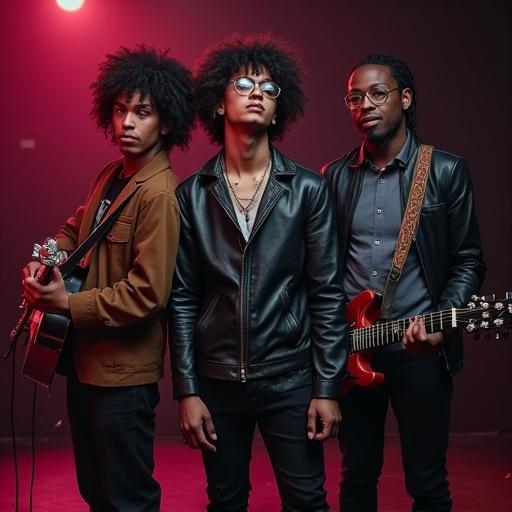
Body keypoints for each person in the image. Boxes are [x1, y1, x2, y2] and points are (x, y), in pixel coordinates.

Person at [169, 34, 347, 511]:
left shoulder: (308, 189)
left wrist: (326, 388)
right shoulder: (192, 195)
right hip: (216, 382)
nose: (256, 93)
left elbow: (327, 293)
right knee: (225, 501)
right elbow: (183, 297)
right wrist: (187, 390)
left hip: (289, 378)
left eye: (269, 89)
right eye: (244, 82)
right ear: (217, 101)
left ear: (277, 109)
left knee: (307, 501)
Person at [21, 46, 194, 511]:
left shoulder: (160, 194)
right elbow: (74, 230)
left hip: (123, 380)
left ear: (168, 122)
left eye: (143, 112)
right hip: (85, 365)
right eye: (121, 111)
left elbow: (148, 295)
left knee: (128, 499)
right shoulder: (112, 174)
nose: (128, 123)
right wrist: (47, 258)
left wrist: (65, 304)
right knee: (96, 494)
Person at [322, 54, 486, 511]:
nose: (365, 105)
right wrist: (334, 331)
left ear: (405, 98)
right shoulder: (334, 176)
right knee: (355, 478)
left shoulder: (445, 171)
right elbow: (323, 268)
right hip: (353, 347)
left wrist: (443, 320)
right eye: (355, 97)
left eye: (378, 93)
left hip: (419, 352)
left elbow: (469, 260)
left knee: (428, 482)